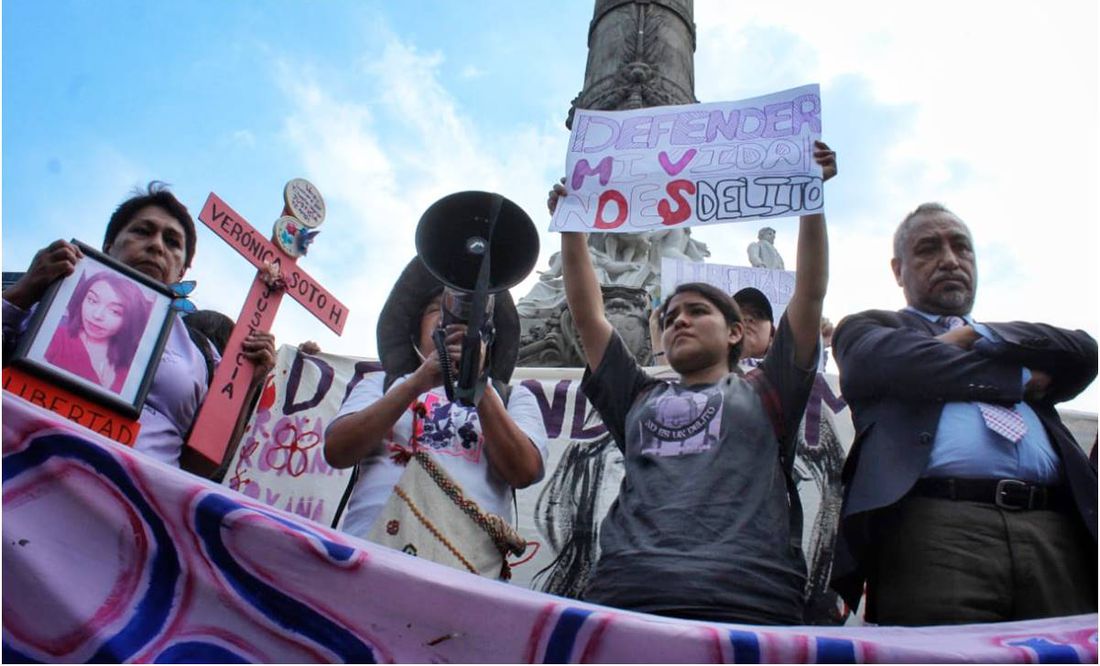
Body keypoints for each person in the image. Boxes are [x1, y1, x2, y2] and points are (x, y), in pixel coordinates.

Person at [550, 141, 836, 624]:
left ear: (735, 333)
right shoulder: (637, 394)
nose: (679, 321)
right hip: (625, 598)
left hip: (751, 602)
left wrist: (812, 199)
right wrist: (572, 228)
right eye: (672, 315)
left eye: (697, 311)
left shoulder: (770, 390)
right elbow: (587, 316)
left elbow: (809, 292)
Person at [830, 202, 1098, 625]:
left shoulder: (1009, 338)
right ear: (898, 271)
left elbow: (1083, 350)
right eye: (929, 248)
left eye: (962, 247)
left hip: (1055, 529)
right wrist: (1021, 378)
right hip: (935, 531)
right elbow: (893, 361)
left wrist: (978, 334)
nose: (950, 260)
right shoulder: (870, 329)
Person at [2, 182, 275, 472]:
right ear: (109, 245)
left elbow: (201, 466)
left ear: (182, 270)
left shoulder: (202, 354)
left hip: (131, 506)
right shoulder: (49, 296)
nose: (157, 245)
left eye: (172, 242)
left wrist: (249, 382)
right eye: (143, 231)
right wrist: (21, 292)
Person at [324, 257, 549, 545]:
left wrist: (477, 383)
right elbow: (337, 451)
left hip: (466, 564)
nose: (452, 322)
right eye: (436, 309)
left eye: (470, 320)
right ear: (415, 332)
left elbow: (524, 471)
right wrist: (416, 383)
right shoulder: (379, 386)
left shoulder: (514, 397)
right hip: (370, 550)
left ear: (488, 341)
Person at [45, 270, 151, 393]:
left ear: (130, 320)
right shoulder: (54, 339)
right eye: (92, 300)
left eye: (115, 311)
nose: (97, 315)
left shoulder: (135, 364)